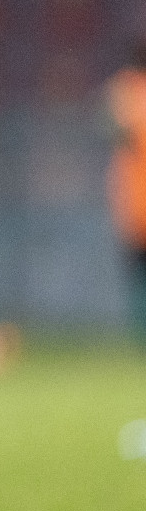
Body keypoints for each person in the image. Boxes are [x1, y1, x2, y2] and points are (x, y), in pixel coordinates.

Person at [105, 41, 146, 343]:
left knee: (137, 273)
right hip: (134, 198)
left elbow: (113, 130)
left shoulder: (123, 91)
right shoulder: (125, 91)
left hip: (133, 199)